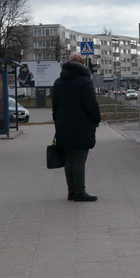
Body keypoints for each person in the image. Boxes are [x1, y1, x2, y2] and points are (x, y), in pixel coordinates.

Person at [52, 52, 101, 202]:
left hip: (63, 125)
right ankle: (80, 192)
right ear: (82, 64)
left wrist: (57, 121)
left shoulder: (58, 82)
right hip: (81, 126)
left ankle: (71, 192)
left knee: (69, 160)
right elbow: (91, 104)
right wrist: (96, 119)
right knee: (79, 159)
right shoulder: (85, 82)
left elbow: (55, 106)